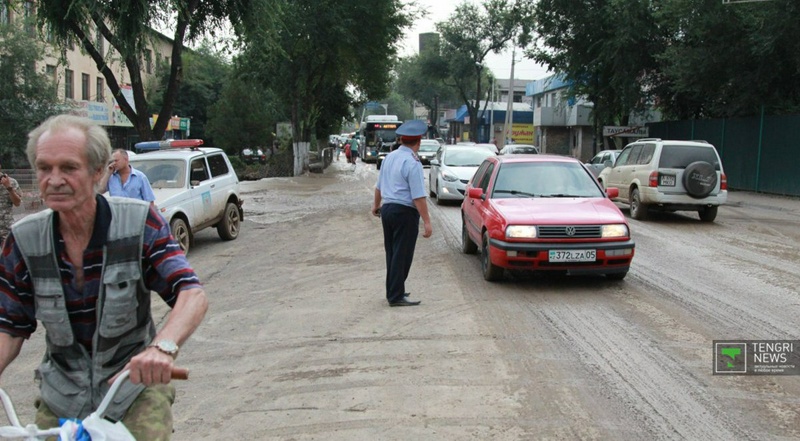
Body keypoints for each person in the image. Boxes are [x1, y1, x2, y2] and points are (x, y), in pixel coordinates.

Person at [0, 114, 208, 440]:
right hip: (62, 391)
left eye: (69, 168)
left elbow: (191, 293)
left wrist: (162, 348)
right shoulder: (23, 240)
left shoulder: (139, 222)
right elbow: (9, 325)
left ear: (98, 172)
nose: (54, 179)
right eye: (44, 168)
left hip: (132, 387)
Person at [371, 120, 433, 307]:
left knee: (392, 253)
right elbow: (418, 196)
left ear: (401, 140)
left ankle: (394, 290)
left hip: (387, 210)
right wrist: (427, 222)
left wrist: (376, 205)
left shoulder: (389, 158)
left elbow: (379, 186)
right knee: (402, 254)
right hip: (404, 213)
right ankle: (396, 296)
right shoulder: (413, 162)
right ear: (418, 142)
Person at [0, 164, 22, 243]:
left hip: (6, 229)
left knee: (9, 251)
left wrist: (9, 188)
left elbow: (17, 203)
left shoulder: (12, 182)